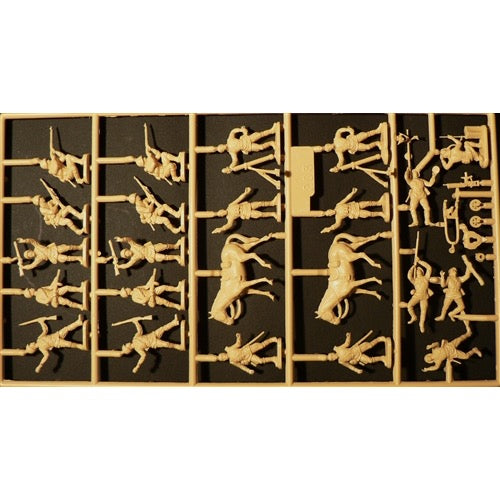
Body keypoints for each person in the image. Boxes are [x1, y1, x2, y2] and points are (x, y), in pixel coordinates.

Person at [326, 331, 392, 374]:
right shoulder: (341, 361)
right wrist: (357, 370)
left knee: (370, 345)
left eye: (331, 356)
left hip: (357, 349)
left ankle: (379, 339)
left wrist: (348, 336)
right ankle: (382, 358)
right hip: (357, 357)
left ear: (332, 353)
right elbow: (349, 366)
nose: (333, 357)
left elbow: (347, 343)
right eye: (332, 359)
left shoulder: (339, 349)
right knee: (370, 360)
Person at [216, 332, 282, 374]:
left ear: (223, 353)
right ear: (224, 360)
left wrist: (238, 337)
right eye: (222, 359)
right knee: (260, 361)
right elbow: (241, 367)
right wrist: (248, 371)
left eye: (222, 356)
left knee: (261, 345)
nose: (223, 357)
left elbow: (238, 344)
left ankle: (272, 339)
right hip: (248, 358)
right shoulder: (232, 361)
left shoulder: (230, 350)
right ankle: (273, 359)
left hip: (248, 349)